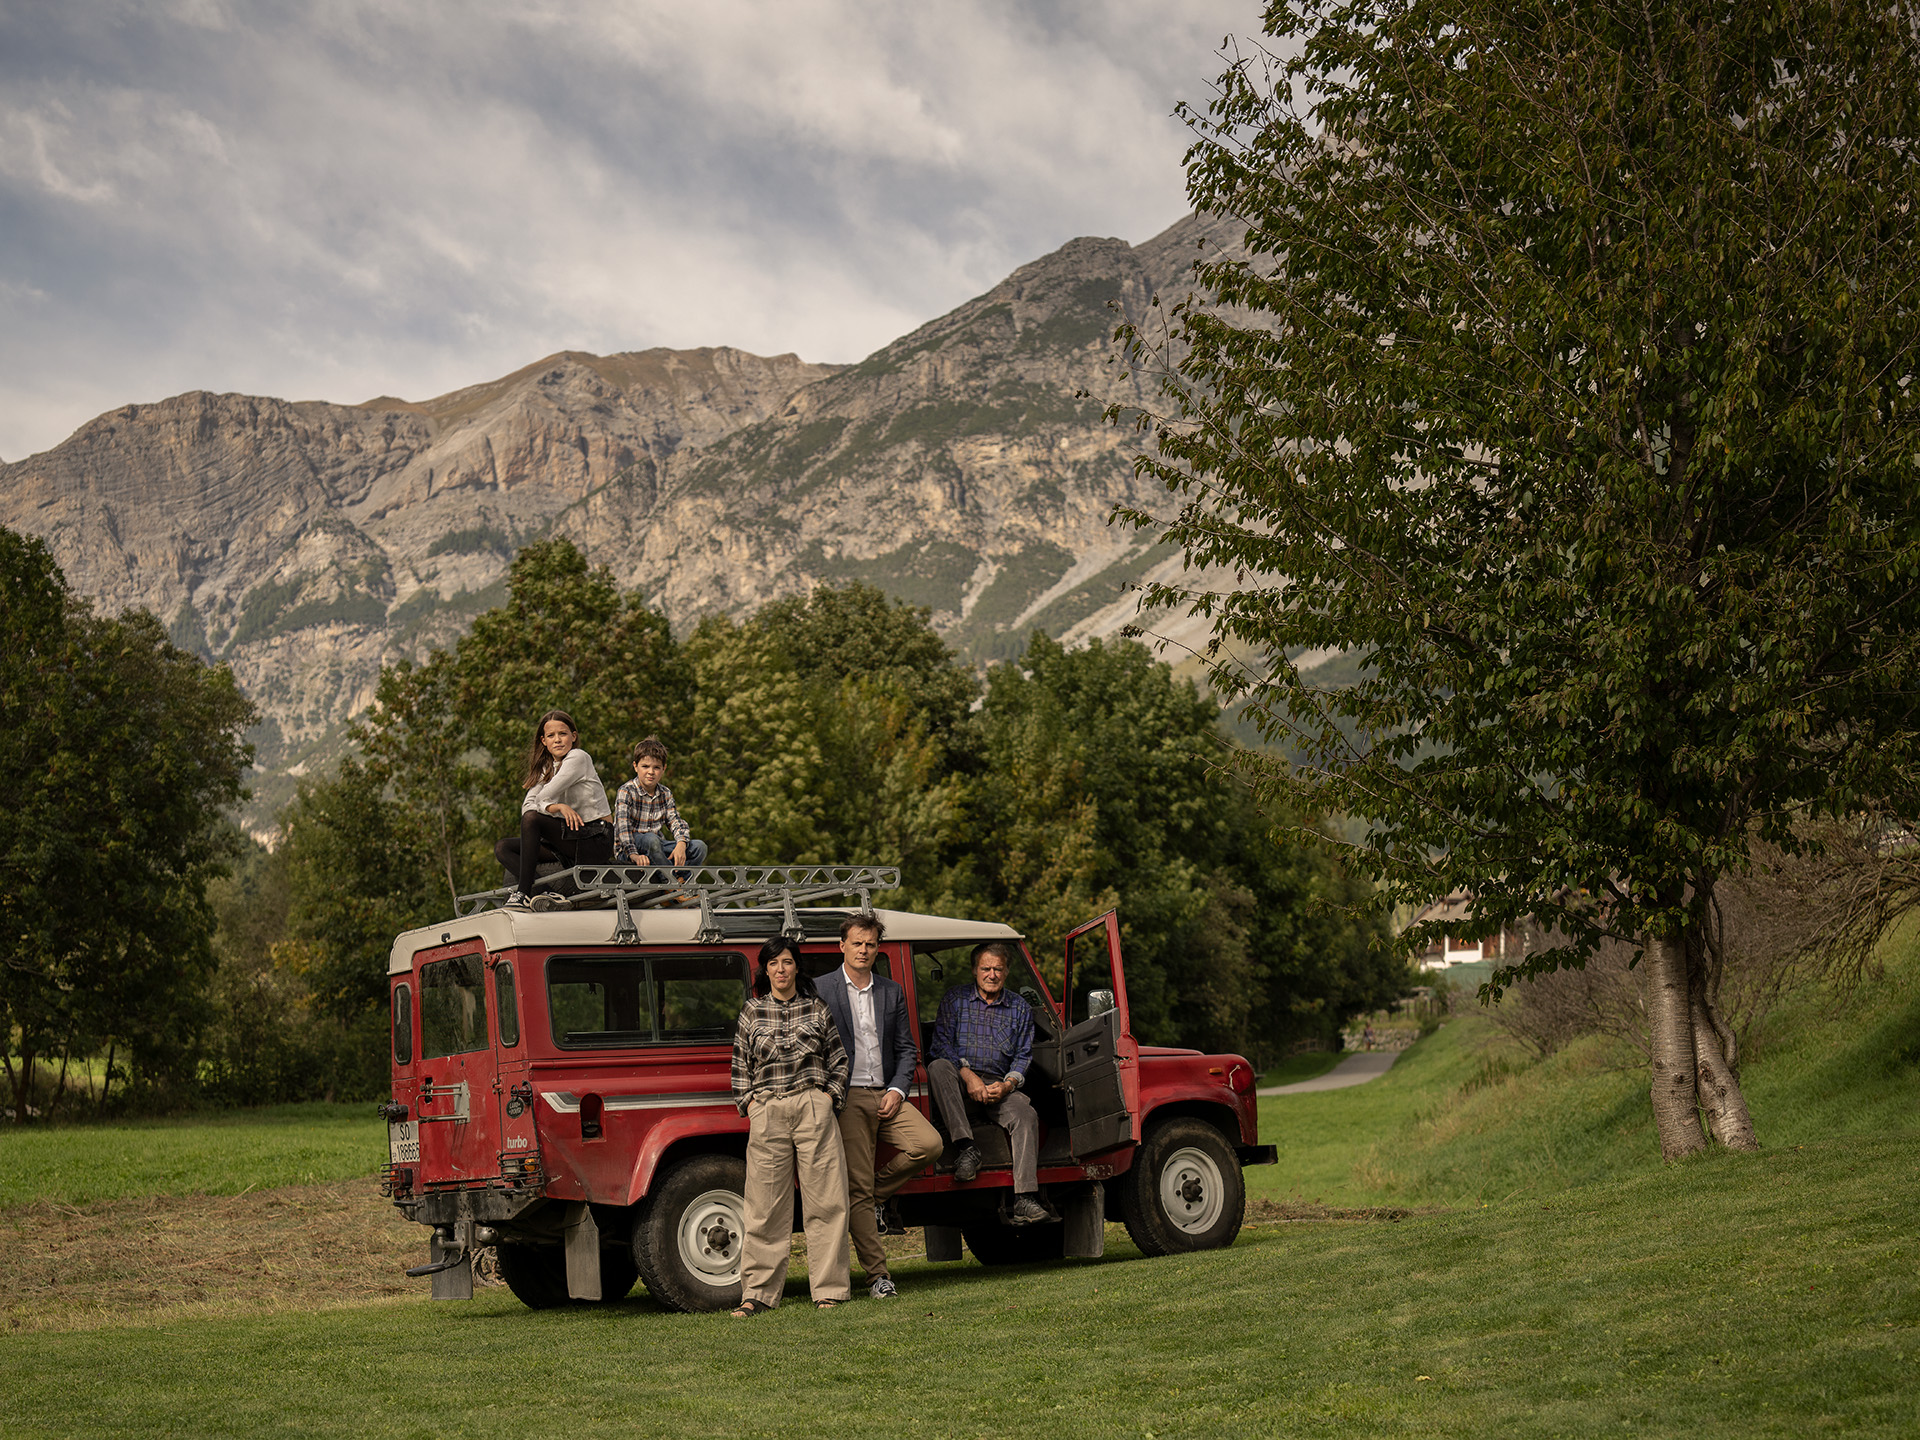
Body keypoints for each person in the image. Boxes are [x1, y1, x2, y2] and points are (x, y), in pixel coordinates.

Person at [814, 914, 943, 1300]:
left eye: (870, 944)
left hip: (886, 1093)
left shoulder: (891, 991)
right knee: (855, 1187)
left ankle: (874, 1196)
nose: (864, 950)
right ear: (842, 946)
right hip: (848, 1096)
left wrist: (898, 1090)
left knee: (928, 1145)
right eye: (857, 943)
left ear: (877, 948)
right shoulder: (822, 989)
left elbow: (906, 1050)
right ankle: (878, 1277)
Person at [728, 936, 853, 1314]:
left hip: (812, 1106)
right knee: (764, 1207)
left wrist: (829, 1097)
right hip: (767, 1111)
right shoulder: (752, 1011)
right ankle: (758, 1295)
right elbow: (739, 1067)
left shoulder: (816, 1009)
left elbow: (840, 1060)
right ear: (765, 971)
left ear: (797, 966)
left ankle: (829, 1290)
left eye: (786, 962)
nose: (780, 970)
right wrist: (750, 1104)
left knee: (827, 1202)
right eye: (773, 964)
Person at [926, 942, 1049, 1225]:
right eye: (986, 968)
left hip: (999, 1085)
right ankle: (968, 1148)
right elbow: (940, 1044)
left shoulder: (1019, 1007)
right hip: (960, 1079)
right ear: (974, 970)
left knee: (1026, 1114)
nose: (992, 974)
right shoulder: (955, 999)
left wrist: (1007, 1085)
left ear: (1006, 972)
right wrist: (968, 1075)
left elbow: (1022, 1056)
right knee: (938, 1066)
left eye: (998, 969)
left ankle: (1025, 1198)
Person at [493, 710, 614, 911]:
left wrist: (552, 806)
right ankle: (546, 893)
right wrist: (556, 807)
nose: (557, 740)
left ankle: (523, 893)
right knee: (503, 847)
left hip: (596, 839)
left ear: (573, 737)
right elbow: (527, 806)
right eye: (551, 736)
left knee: (533, 820)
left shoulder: (578, 757)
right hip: (570, 838)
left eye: (563, 734)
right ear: (543, 741)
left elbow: (540, 801)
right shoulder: (547, 769)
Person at [612, 735, 709, 876]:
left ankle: (678, 881)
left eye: (656, 767)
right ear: (635, 766)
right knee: (651, 839)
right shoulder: (626, 791)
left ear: (664, 769)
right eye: (645, 766)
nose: (651, 772)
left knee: (699, 847)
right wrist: (634, 855)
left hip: (657, 850)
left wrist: (681, 843)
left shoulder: (665, 793)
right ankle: (672, 884)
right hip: (630, 849)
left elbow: (675, 821)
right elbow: (622, 829)